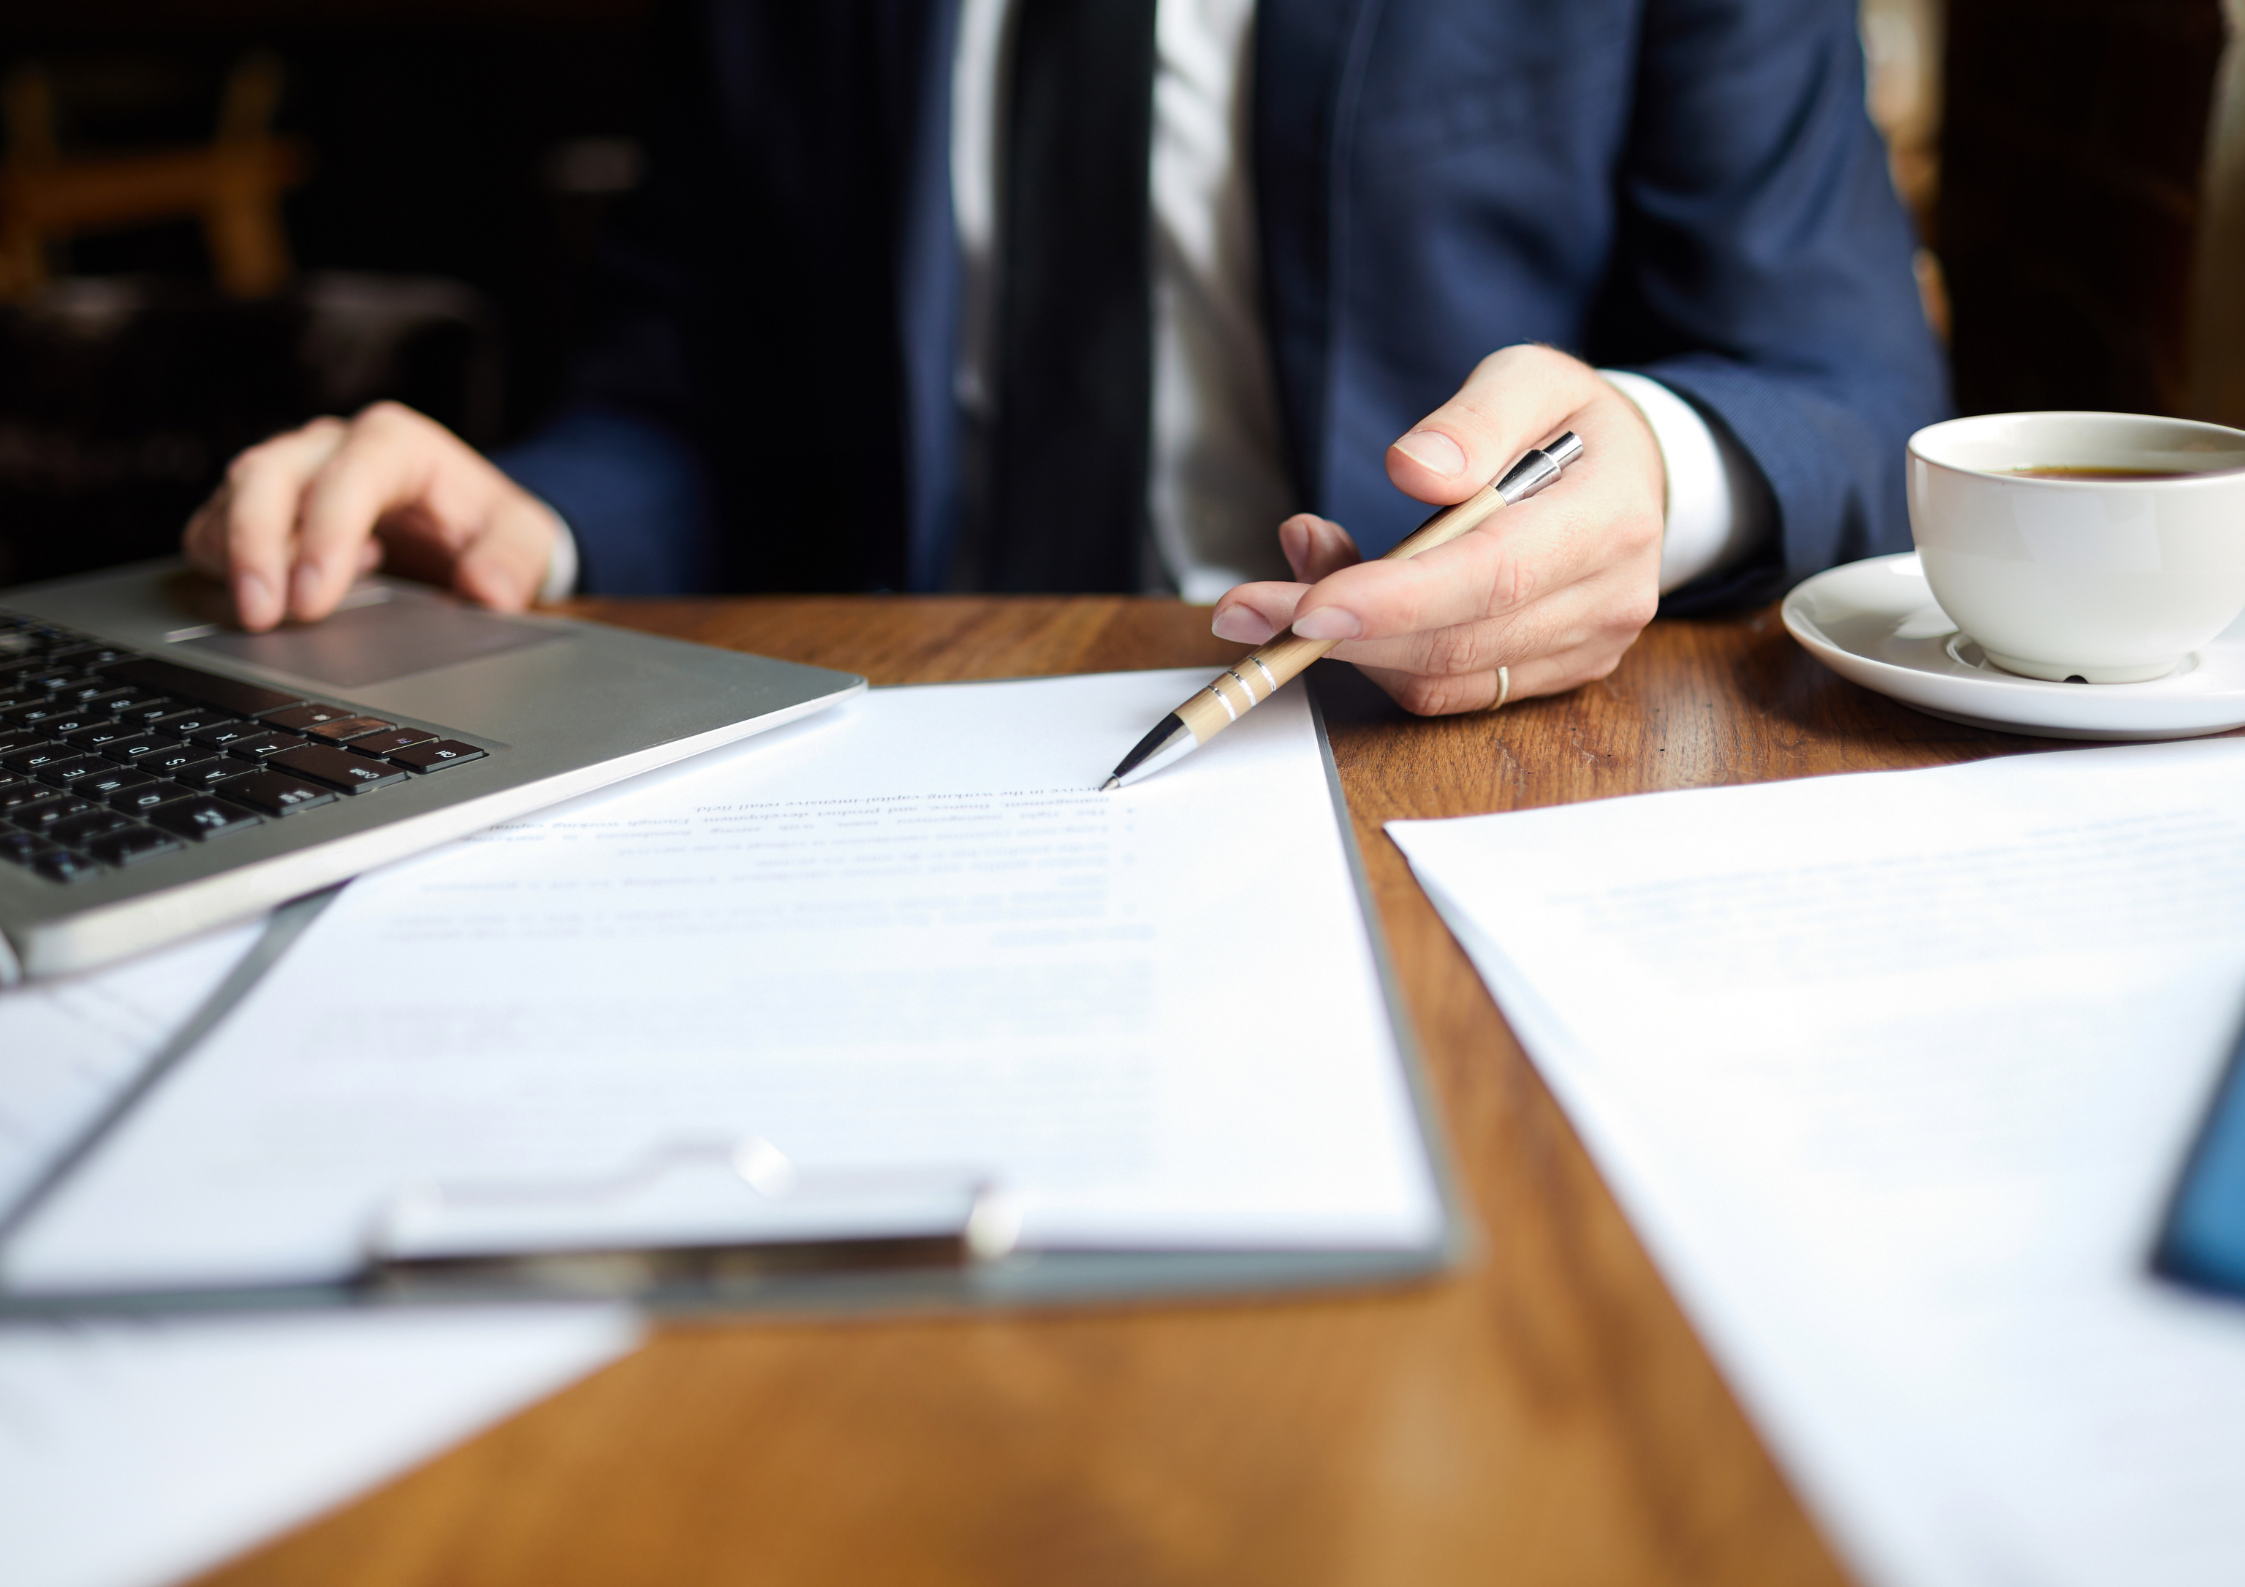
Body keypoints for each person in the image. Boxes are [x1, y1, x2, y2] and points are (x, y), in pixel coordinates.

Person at [182, 0, 1946, 717]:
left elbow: (1859, 393)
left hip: (1424, 751)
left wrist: (1650, 465)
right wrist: (532, 524)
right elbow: (696, 381)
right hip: (880, 743)